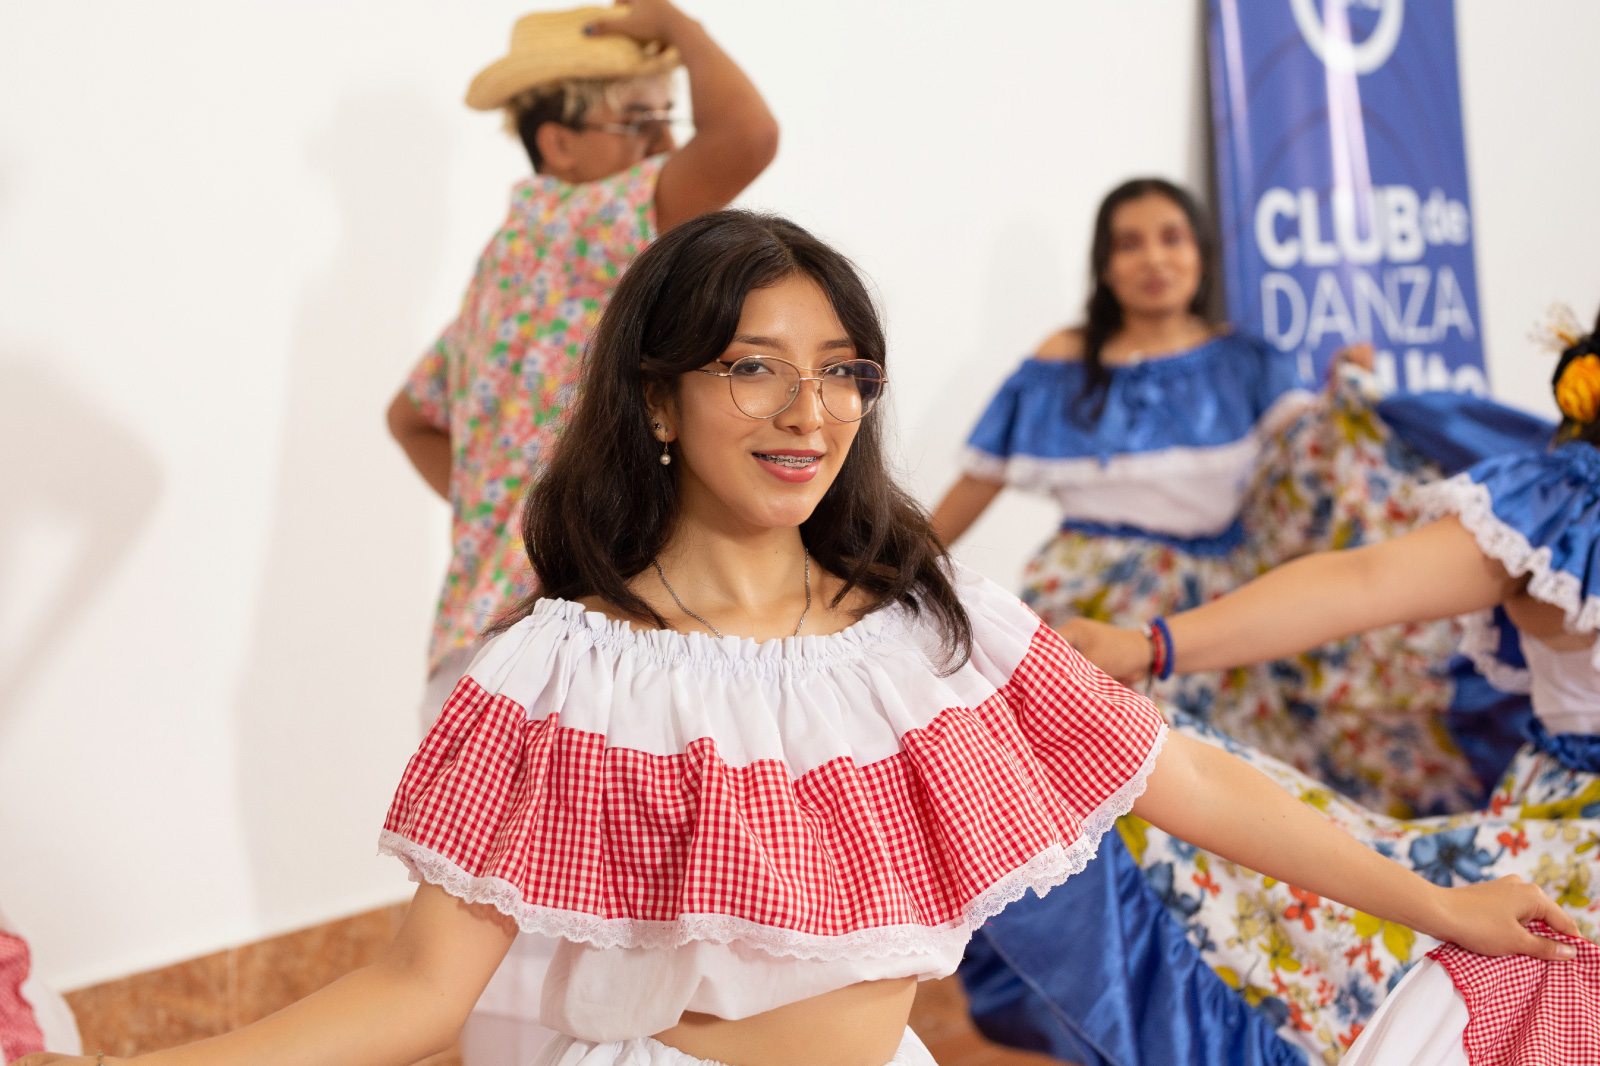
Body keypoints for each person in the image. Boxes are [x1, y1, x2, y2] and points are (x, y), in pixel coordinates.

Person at [16, 211, 1576, 1066]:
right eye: (753, 369)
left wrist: (1444, 901)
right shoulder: (556, 673)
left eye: (839, 370)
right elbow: (415, 994)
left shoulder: (931, 637)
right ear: (657, 398)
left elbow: (1193, 787)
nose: (807, 410)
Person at [964, 306, 1600, 1065]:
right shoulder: (1567, 511)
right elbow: (1363, 581)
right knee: (1183, 801)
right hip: (1565, 847)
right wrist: (1153, 643)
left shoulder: (1232, 361)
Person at [385, 5, 776, 1059]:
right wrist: (682, 27)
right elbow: (749, 141)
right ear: (558, 140)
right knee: (599, 965)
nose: (663, 144)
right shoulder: (600, 222)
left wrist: (507, 513)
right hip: (572, 648)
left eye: (664, 120)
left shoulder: (506, 252)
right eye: (640, 121)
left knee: (497, 970)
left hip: (481, 637)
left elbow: (412, 412)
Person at [930, 177, 1485, 817]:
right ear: (1105, 266)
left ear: (1201, 254)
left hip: (1215, 615)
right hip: (1092, 605)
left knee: (1226, 793)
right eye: (1130, 244)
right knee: (1096, 788)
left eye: (1172, 238)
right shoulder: (1064, 362)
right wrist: (887, 570)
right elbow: (976, 485)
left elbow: (1309, 467)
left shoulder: (1245, 362)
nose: (1155, 259)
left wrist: (1348, 401)